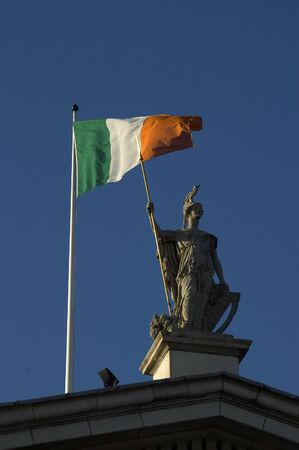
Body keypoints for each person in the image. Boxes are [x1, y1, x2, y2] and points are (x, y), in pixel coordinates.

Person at [148, 186, 229, 331]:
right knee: (189, 295)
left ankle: (198, 328)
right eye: (197, 208)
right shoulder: (180, 234)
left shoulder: (206, 237)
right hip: (187, 271)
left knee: (203, 300)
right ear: (188, 212)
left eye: (201, 208)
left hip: (205, 271)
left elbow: (215, 259)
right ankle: (185, 325)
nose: (200, 211)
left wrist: (222, 279)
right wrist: (151, 215)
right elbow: (159, 234)